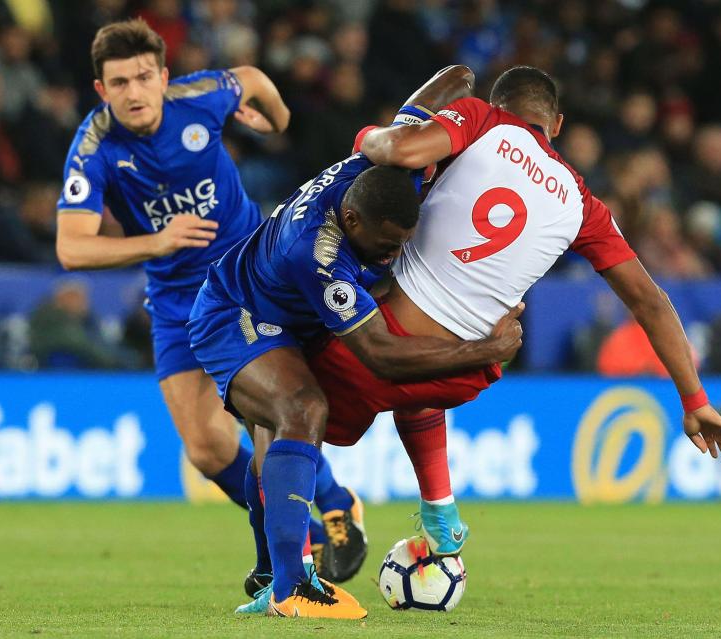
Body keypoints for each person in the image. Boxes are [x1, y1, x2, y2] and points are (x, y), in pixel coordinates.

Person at [308, 64, 721, 558]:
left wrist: (366, 136)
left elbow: (402, 150)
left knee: (282, 406)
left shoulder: (480, 121)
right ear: (556, 125)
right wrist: (694, 400)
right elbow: (650, 300)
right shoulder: (583, 203)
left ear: (498, 105)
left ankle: (289, 570)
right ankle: (441, 512)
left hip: (383, 347)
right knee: (419, 386)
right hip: (468, 369)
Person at [53, 19, 362, 588]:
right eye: (119, 83)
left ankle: (335, 510)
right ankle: (308, 530)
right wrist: (159, 242)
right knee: (203, 446)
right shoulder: (94, 146)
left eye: (144, 77)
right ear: (101, 90)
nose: (134, 92)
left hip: (246, 279)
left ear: (163, 77)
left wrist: (276, 122)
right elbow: (71, 248)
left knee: (261, 411)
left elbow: (252, 79)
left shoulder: (200, 97)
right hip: (173, 297)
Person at [186, 155, 524, 617]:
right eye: (385, 244)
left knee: (277, 433)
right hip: (236, 314)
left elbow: (436, 96)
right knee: (301, 409)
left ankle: (272, 573)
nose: (390, 255)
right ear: (351, 220)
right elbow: (381, 355)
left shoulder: (387, 168)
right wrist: (485, 351)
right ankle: (292, 588)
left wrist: (431, 124)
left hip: (293, 319)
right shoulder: (316, 253)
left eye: (401, 243)